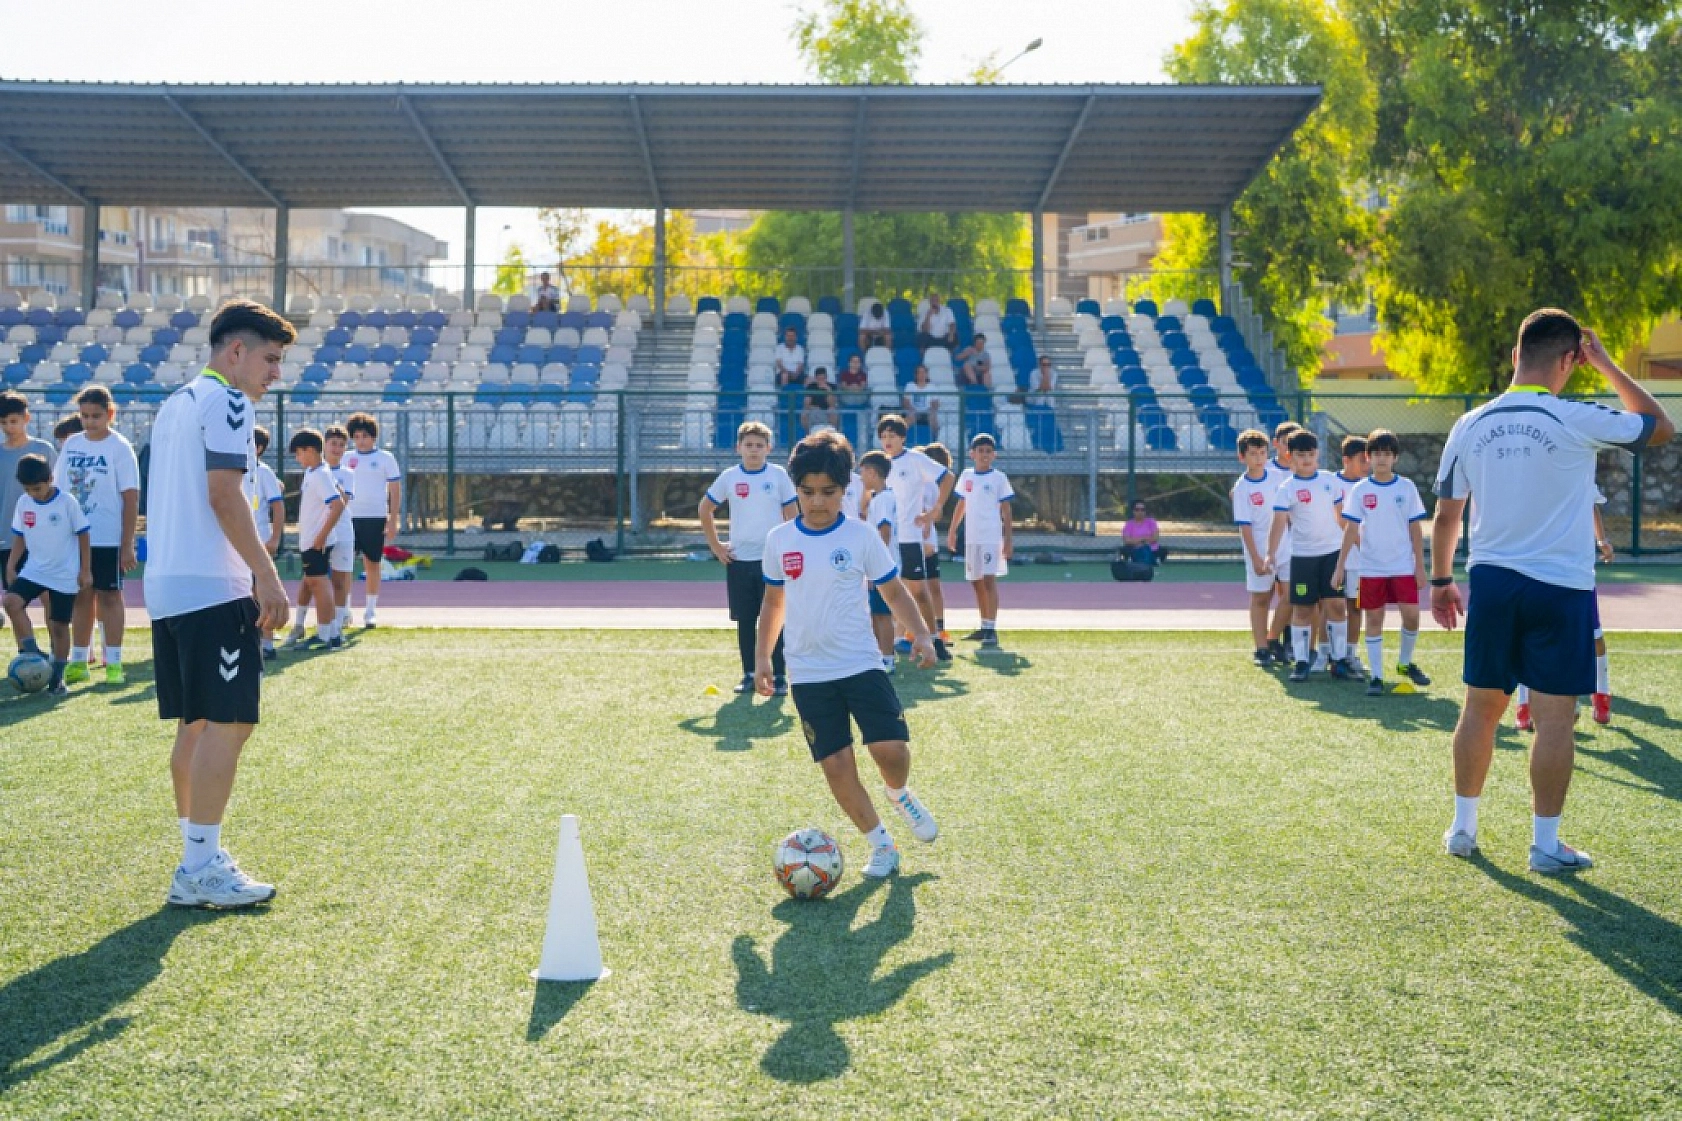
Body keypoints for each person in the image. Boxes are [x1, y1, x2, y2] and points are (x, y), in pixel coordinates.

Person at [1432, 309, 1672, 873]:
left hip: (1491, 581)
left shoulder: (1470, 423)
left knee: (1480, 708)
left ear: (1516, 356)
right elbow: (1660, 426)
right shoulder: (1574, 415)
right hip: (1560, 589)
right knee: (1555, 717)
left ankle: (1463, 830)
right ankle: (1544, 846)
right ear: (1570, 360)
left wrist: (1441, 581)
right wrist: (1608, 364)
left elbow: (1446, 514)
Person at [145, 298, 293, 909]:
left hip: (169, 587)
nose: (274, 373)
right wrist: (267, 576)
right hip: (212, 587)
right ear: (236, 351)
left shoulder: (175, 403)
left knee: (198, 723)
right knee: (232, 722)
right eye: (270, 358)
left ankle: (195, 854)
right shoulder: (227, 400)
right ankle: (200, 867)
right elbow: (224, 497)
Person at [756, 429, 940, 879]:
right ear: (795, 489)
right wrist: (764, 658)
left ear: (846, 490)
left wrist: (921, 634)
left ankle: (899, 794)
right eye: (807, 492)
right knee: (836, 765)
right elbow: (773, 602)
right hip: (807, 671)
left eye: (829, 492)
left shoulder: (859, 536)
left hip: (860, 663)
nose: (818, 502)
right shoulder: (780, 540)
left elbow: (893, 591)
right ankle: (881, 845)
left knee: (890, 751)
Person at [699, 420, 797, 695]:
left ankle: (779, 676)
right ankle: (749, 674)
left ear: (769, 448)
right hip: (740, 560)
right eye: (748, 445)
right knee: (745, 621)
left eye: (759, 445)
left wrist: (792, 550)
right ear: (738, 447)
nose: (753, 450)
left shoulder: (778, 475)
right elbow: (705, 508)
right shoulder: (730, 477)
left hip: (773, 562)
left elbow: (792, 515)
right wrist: (716, 546)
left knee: (776, 618)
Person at [1333, 429, 1429, 697]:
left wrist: (1420, 566)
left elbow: (1416, 528)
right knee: (1374, 619)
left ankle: (1405, 663)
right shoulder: (1361, 490)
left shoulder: (1406, 487)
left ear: (1395, 457)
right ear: (1369, 457)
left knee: (1411, 616)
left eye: (1387, 454)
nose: (1381, 459)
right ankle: (1376, 676)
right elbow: (1351, 529)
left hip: (1402, 565)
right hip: (1371, 567)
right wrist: (1340, 566)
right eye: (1376, 454)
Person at [55, 385, 139, 686]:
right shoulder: (72, 444)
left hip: (108, 538)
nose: (90, 422)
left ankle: (114, 661)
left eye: (96, 416)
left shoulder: (119, 447)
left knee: (110, 596)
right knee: (81, 595)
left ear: (110, 414)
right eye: (85, 416)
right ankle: (79, 660)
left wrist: (127, 543)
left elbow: (130, 497)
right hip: (76, 537)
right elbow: (60, 491)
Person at [1516, 488, 1617, 730]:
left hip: (1576, 574)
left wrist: (1601, 540)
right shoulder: (1526, 471)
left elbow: (1591, 505)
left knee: (1594, 636)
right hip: (1534, 570)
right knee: (1527, 638)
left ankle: (1601, 694)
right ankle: (1524, 704)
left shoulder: (1576, 464)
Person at [1265, 429, 1358, 683]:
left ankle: (1338, 661)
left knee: (1336, 605)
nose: (1306, 459)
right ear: (1289, 456)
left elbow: (1342, 518)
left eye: (1310, 454)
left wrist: (1357, 544)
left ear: (1317, 454)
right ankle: (1302, 660)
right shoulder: (1287, 488)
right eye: (1300, 455)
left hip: (1332, 554)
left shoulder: (1330, 481)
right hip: (1303, 557)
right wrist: (1270, 553)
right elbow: (1279, 523)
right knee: (1303, 609)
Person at [3, 452, 90, 694]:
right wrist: (11, 565)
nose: (34, 493)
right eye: (29, 489)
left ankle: (57, 679)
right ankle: (32, 651)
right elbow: (19, 535)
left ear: (50, 479)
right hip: (35, 569)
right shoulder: (24, 503)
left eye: (38, 488)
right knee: (11, 602)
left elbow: (83, 534)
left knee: (59, 626)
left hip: (64, 574)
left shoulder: (67, 503)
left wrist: (85, 569)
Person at [876, 414, 955, 661]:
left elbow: (948, 477)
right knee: (886, 592)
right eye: (884, 436)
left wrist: (936, 509)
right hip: (886, 539)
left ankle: (934, 638)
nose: (887, 441)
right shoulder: (880, 465)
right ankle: (890, 644)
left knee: (919, 592)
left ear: (902, 438)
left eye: (892, 435)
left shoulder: (915, 459)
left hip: (909, 537)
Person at [947, 432, 1013, 649]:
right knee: (975, 581)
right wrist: (953, 530)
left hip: (990, 536)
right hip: (972, 537)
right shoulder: (966, 476)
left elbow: (1006, 509)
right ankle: (983, 624)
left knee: (988, 579)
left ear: (994, 455)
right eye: (980, 451)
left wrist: (1008, 538)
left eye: (988, 451)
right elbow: (962, 504)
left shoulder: (998, 478)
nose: (984, 455)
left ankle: (991, 628)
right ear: (972, 454)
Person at [287, 428, 347, 652]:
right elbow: (341, 495)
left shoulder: (320, 474)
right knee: (315, 583)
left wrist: (321, 536)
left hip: (315, 540)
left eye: (299, 453)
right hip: (313, 539)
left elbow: (338, 504)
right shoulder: (317, 471)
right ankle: (331, 633)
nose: (297, 458)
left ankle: (326, 635)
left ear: (310, 450)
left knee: (319, 585)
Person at [1231, 429, 1287, 667]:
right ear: (1242, 457)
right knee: (1261, 598)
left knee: (1294, 593)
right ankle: (1261, 648)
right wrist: (1255, 557)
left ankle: (1273, 637)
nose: (1258, 458)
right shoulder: (1242, 488)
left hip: (1286, 546)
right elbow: (1245, 527)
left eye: (1262, 453)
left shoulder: (1278, 478)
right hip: (1257, 548)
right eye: (1253, 454)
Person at [344, 412, 403, 628]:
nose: (361, 440)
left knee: (372, 564)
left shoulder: (385, 458)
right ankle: (344, 610)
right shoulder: (345, 458)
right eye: (357, 436)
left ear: (374, 437)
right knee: (344, 564)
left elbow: (395, 490)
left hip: (375, 516)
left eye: (365, 436)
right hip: (348, 518)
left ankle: (370, 611)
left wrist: (392, 518)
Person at [0, 390, 57, 604]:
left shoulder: (43, 449)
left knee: (48, 596)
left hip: (43, 536)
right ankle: (25, 639)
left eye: (13, 421)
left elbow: (57, 492)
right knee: (14, 599)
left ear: (26, 418)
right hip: (7, 537)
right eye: (3, 422)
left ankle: (55, 639)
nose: (8, 427)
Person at [857, 450, 901, 671]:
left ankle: (887, 658)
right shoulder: (880, 497)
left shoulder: (882, 499)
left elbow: (885, 532)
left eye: (863, 471)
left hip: (883, 567)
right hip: (884, 566)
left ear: (873, 473)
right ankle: (881, 655)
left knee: (882, 614)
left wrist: (876, 568)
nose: (861, 476)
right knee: (876, 613)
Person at [1334, 435, 1370, 676]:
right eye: (1361, 460)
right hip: (1334, 557)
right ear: (1346, 460)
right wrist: (1362, 543)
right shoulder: (1331, 483)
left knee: (1355, 607)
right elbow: (1342, 521)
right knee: (1330, 606)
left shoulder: (1369, 486)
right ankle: (1329, 653)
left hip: (1359, 561)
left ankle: (1350, 653)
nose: (1366, 466)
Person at [249, 425, 285, 659]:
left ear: (259, 448)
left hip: (260, 541)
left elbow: (278, 506)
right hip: (235, 543)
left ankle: (268, 642)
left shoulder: (263, 472)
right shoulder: (236, 470)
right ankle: (249, 638)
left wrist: (275, 538)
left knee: (262, 590)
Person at [919, 443, 952, 645]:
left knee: (931, 585)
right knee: (920, 587)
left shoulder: (931, 486)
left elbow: (934, 512)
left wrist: (929, 519)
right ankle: (924, 628)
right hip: (915, 537)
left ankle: (938, 629)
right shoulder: (919, 483)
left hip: (925, 538)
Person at [1120, 500, 1166, 567]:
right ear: (1133, 511)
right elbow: (1127, 540)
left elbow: (1155, 538)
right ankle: (1149, 562)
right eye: (1137, 510)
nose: (1140, 512)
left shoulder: (1151, 522)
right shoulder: (1129, 524)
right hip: (1135, 549)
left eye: (1142, 510)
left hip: (1151, 549)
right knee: (1131, 550)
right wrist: (1143, 540)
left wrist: (1140, 542)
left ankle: (1144, 563)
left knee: (1147, 550)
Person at [901, 365, 939, 440]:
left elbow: (935, 403)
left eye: (923, 372)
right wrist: (911, 408)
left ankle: (935, 440)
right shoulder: (910, 386)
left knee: (933, 418)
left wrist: (931, 409)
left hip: (927, 412)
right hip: (913, 412)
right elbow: (905, 402)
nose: (921, 375)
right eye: (919, 373)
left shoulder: (932, 387)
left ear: (927, 374)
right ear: (916, 375)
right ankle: (902, 440)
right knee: (905, 422)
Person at [801, 367, 840, 434]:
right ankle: (809, 434)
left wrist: (828, 390)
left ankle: (833, 434)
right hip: (814, 410)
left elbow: (832, 404)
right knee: (804, 412)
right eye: (819, 379)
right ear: (815, 378)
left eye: (823, 378)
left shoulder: (832, 387)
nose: (821, 381)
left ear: (826, 377)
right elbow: (806, 403)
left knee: (832, 410)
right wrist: (813, 407)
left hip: (827, 410)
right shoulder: (811, 387)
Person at [837, 352, 870, 421]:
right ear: (849, 363)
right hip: (847, 397)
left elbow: (862, 387)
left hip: (859, 398)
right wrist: (853, 388)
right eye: (853, 361)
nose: (855, 363)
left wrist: (855, 388)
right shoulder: (844, 374)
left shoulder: (863, 374)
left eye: (858, 362)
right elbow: (844, 386)